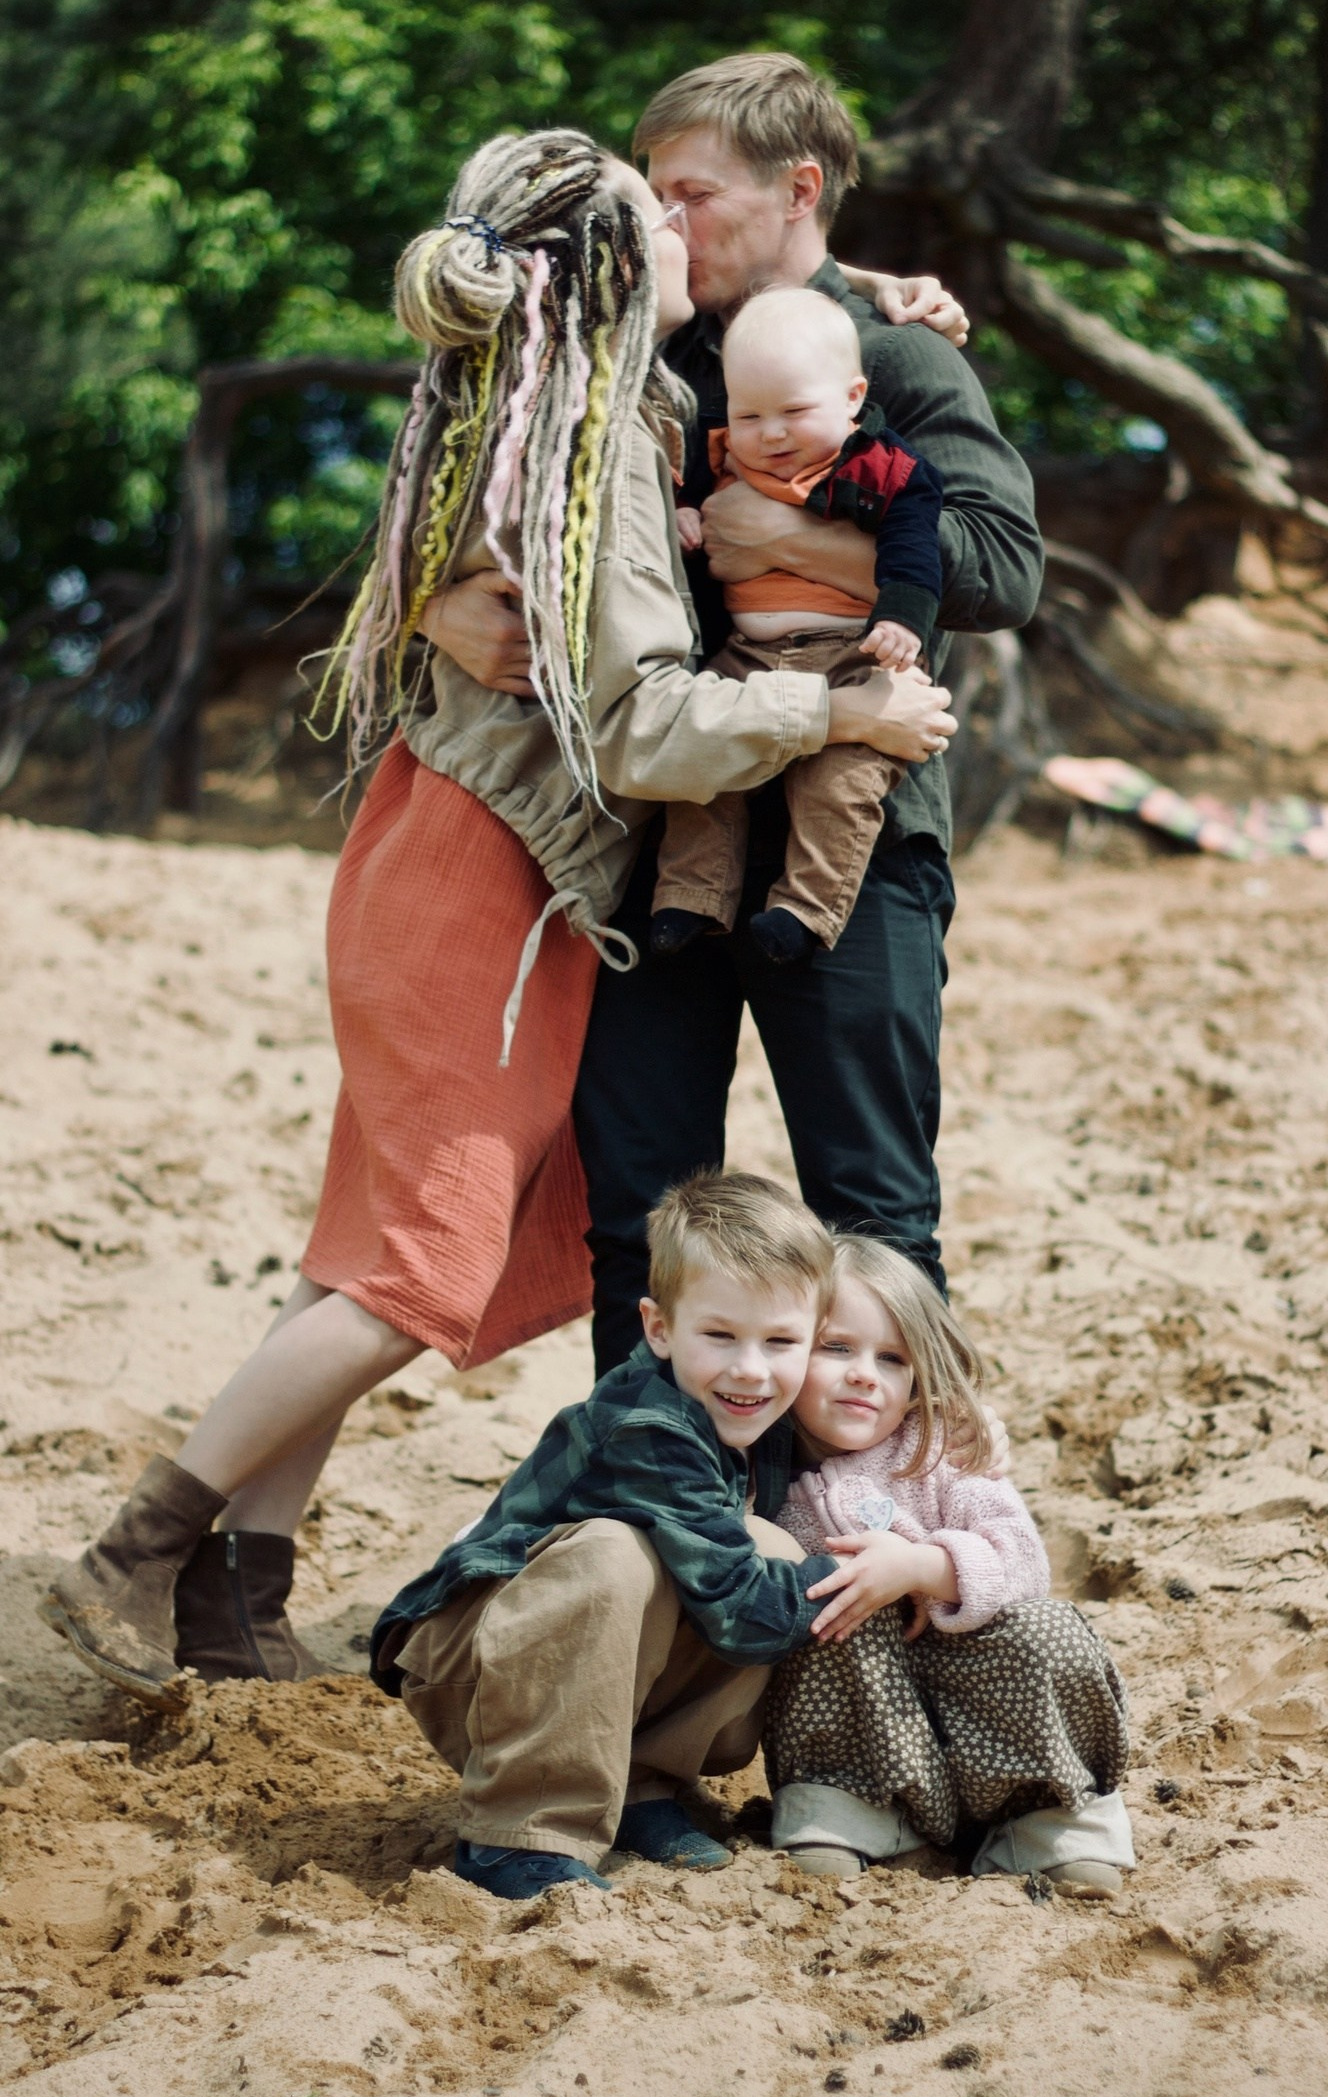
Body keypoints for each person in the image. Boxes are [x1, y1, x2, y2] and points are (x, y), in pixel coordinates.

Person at [40, 130, 953, 1709]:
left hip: (444, 854)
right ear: (607, 275)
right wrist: (835, 713)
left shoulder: (554, 408)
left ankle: (241, 1588)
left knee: (359, 1256)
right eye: (655, 218)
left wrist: (868, 287)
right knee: (419, 1267)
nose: (682, 232)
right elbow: (646, 724)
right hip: (489, 886)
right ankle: (138, 1545)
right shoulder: (594, 448)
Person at [422, 53, 1045, 1370]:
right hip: (654, 839)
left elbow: (1002, 567)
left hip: (855, 841)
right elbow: (464, 473)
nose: (663, 220)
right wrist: (433, 605)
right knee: (637, 1215)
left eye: (690, 193)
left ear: (797, 190)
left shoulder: (894, 355)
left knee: (872, 1211)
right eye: (652, 194)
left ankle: (901, 1486)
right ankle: (648, 1482)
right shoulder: (639, 355)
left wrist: (786, 532)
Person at [369, 1172, 842, 1901]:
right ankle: (520, 1831)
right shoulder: (649, 1426)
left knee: (766, 1546)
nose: (750, 1368)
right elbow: (741, 1610)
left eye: (781, 1340)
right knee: (623, 1556)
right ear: (659, 1328)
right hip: (474, 1668)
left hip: (566, 1666)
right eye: (719, 1335)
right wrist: (857, 1577)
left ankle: (638, 1787)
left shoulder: (759, 1409)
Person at [765, 1235, 1135, 1895]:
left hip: (986, 1716)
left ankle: (1047, 1822)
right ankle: (851, 1814)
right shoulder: (760, 1463)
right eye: (837, 1347)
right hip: (873, 1742)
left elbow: (1024, 1559)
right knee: (819, 1615)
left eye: (891, 1358)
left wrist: (920, 1566)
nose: (864, 1374)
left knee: (1051, 1630)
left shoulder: (940, 1451)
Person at [653, 286, 947, 968]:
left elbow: (914, 544)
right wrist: (683, 511)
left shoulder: (880, 466)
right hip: (744, 655)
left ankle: (806, 910)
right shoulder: (719, 451)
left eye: (794, 412)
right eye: (749, 415)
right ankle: (691, 895)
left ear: (852, 397)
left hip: (850, 653)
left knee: (838, 786)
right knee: (706, 769)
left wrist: (903, 617)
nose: (772, 434)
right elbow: (680, 489)